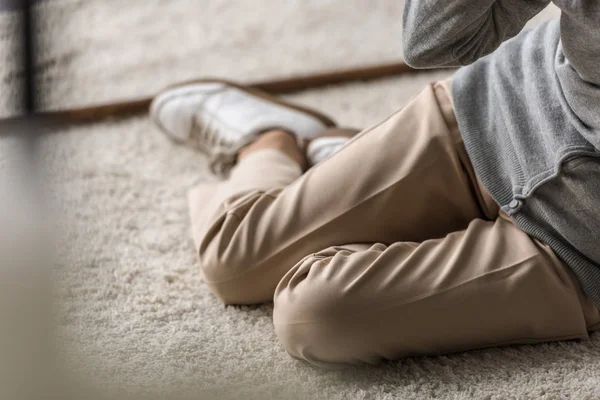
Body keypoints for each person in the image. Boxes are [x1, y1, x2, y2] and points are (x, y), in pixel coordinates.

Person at [149, 0, 600, 369]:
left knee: (314, 318)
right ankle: (268, 140)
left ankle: (336, 157)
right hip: (503, 108)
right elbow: (433, 40)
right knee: (231, 258)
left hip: (574, 248)